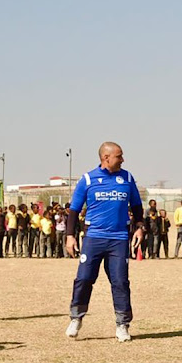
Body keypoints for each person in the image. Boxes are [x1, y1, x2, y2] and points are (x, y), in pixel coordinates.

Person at [64, 142, 144, 342]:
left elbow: (136, 206)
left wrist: (140, 227)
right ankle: (76, 317)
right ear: (106, 157)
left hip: (119, 239)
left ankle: (122, 325)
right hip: (94, 237)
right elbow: (74, 209)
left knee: (120, 282)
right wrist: (70, 236)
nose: (123, 159)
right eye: (119, 156)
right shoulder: (88, 179)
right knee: (84, 279)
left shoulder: (127, 178)